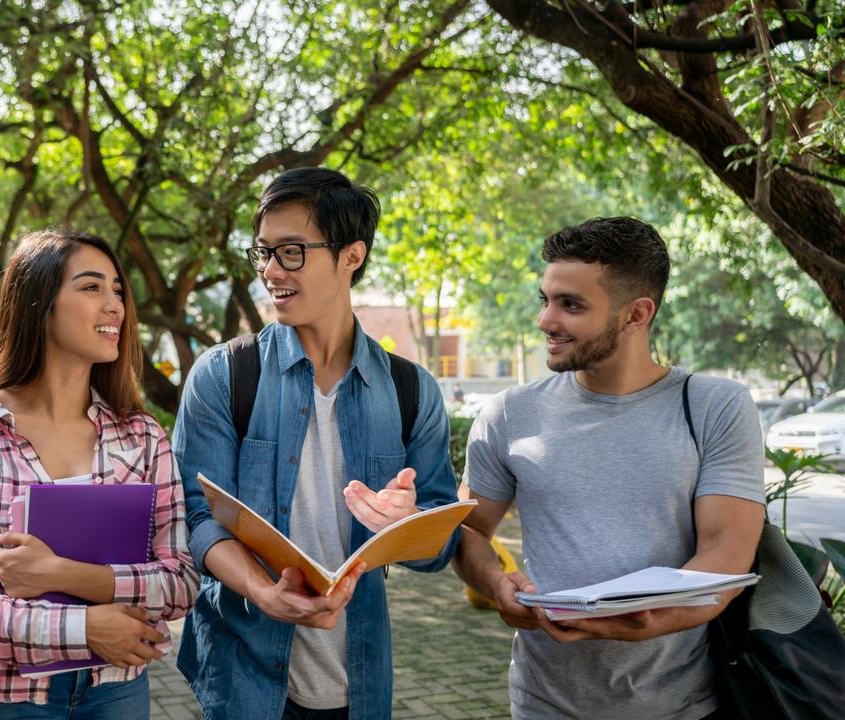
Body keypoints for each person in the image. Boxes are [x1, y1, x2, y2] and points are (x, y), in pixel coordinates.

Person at [172, 167, 461, 720]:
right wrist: (263, 592)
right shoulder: (223, 376)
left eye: (292, 252)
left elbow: (439, 544)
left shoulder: (410, 390)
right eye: (262, 253)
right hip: (244, 678)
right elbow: (194, 518)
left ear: (351, 257)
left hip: (360, 681)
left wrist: (405, 524)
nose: (271, 272)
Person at [452, 217, 765, 719]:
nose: (546, 321)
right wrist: (495, 582)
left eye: (571, 304)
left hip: (680, 705)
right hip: (543, 702)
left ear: (636, 314)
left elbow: (726, 553)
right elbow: (468, 531)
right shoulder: (509, 413)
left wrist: (652, 618)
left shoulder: (715, 407)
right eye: (546, 299)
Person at [0, 229, 199, 717]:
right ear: (38, 304)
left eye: (118, 291)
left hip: (119, 692)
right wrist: (83, 629)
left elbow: (182, 583)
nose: (115, 306)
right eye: (91, 288)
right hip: (6, 699)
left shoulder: (143, 435)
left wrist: (64, 575)